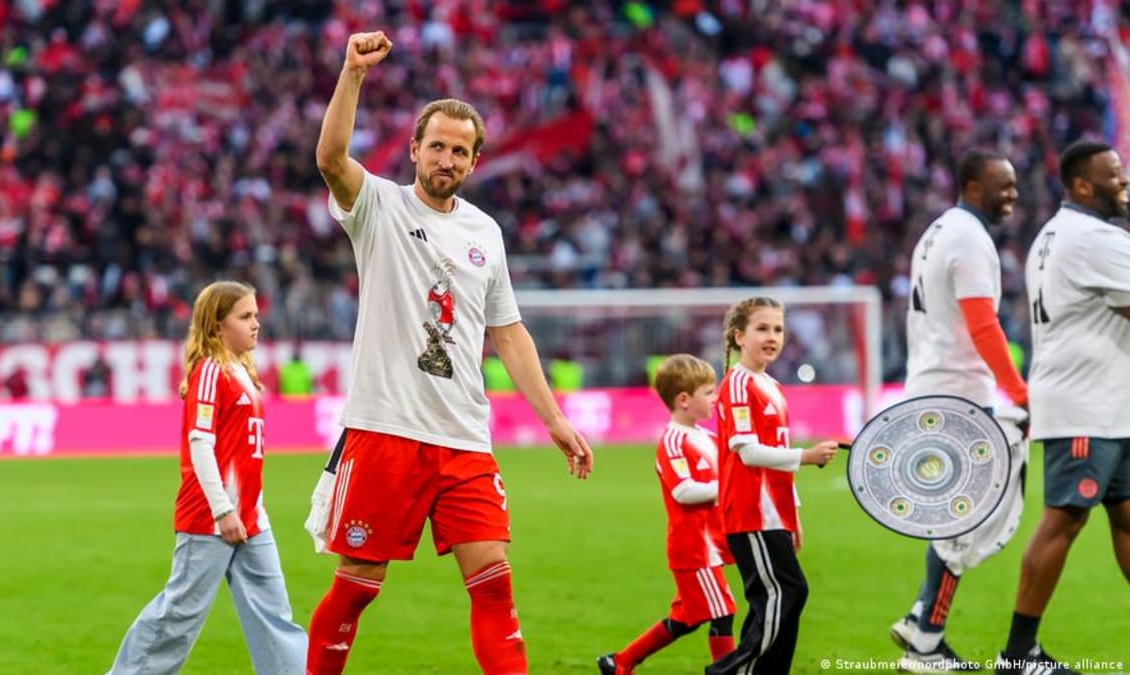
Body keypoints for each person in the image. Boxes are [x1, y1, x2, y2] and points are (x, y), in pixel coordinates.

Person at [302, 31, 593, 675]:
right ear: (413, 149)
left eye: (460, 151)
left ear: (474, 161)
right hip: (385, 430)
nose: (447, 158)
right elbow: (329, 158)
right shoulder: (377, 204)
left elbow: (509, 332)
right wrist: (352, 72)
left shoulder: (484, 231)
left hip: (463, 436)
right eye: (437, 145)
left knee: (494, 583)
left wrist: (554, 419)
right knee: (355, 587)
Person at [107, 281, 307, 675]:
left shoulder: (242, 372)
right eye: (245, 316)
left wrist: (253, 509)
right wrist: (223, 509)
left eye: (256, 315)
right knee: (179, 613)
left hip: (250, 516)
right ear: (217, 327)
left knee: (274, 615)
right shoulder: (211, 371)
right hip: (212, 517)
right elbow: (200, 444)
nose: (256, 324)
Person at [995, 140, 1130, 675]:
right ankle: (1019, 653)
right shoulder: (1095, 238)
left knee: (1126, 518)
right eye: (1114, 175)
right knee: (1064, 520)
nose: (1123, 182)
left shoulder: (1056, 233)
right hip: (1086, 408)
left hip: (1105, 405)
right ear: (1081, 185)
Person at [890, 149, 1027, 673]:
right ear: (974, 186)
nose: (1012, 194)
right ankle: (926, 640)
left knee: (957, 518)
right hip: (956, 396)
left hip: (934, 388)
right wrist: (1018, 391)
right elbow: (982, 323)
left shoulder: (937, 231)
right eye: (1004, 185)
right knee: (966, 520)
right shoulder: (970, 237)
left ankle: (923, 619)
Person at [705, 297, 839, 675]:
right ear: (739, 336)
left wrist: (792, 515)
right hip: (749, 511)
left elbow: (776, 452)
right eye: (762, 328)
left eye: (778, 329)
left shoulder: (773, 386)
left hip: (773, 513)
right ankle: (727, 672)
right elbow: (747, 452)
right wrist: (806, 456)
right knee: (787, 593)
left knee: (777, 599)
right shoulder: (737, 386)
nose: (772, 336)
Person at [597, 354, 737, 675]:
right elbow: (683, 491)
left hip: (711, 543)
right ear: (684, 400)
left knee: (687, 618)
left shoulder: (709, 438)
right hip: (694, 546)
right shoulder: (673, 441)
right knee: (722, 613)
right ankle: (725, 671)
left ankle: (620, 662)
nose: (715, 398)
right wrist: (725, 487)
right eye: (708, 392)